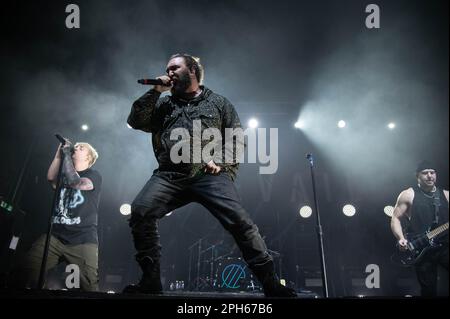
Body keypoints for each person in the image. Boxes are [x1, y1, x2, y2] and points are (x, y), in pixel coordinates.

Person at [124, 53, 296, 297]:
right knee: (141, 211)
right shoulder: (164, 103)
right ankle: (150, 280)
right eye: (167, 69)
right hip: (170, 175)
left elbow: (237, 139)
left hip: (210, 175)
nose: (169, 72)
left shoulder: (219, 103)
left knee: (240, 222)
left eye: (175, 67)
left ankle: (270, 282)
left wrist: (221, 161)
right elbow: (136, 121)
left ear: (192, 70)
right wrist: (155, 92)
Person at [22, 140, 102, 291]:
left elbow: (76, 183)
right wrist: (59, 155)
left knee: (89, 285)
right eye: (75, 145)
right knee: (30, 269)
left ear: (89, 158)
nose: (76, 147)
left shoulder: (94, 175)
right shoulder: (64, 173)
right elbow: (51, 179)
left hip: (82, 239)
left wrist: (66, 155)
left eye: (81, 147)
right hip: (55, 236)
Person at [391, 160, 449, 296]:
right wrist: (400, 238)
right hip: (422, 249)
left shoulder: (446, 195)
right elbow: (395, 218)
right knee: (429, 290)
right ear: (417, 176)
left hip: (446, 246)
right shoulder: (408, 195)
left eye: (432, 172)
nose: (430, 176)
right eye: (425, 173)